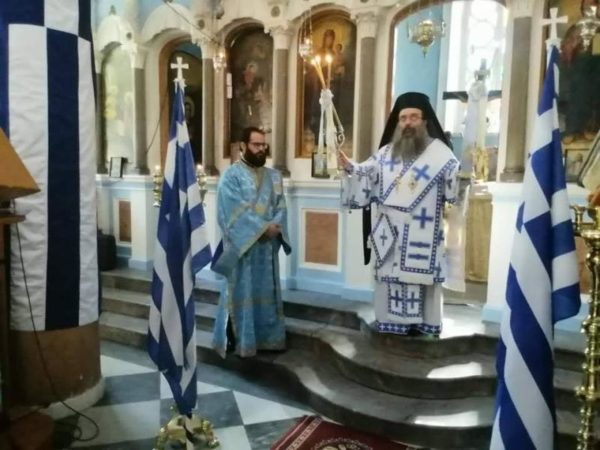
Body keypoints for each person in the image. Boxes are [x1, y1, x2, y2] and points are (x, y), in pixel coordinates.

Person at [338, 92, 460, 337]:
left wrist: (464, 175)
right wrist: (350, 166)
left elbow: (454, 187)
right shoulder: (386, 152)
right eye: (403, 118)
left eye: (414, 117)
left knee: (421, 278)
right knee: (389, 276)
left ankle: (425, 324)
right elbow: (366, 172)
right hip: (389, 232)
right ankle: (390, 322)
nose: (408, 123)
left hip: (422, 230)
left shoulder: (440, 154)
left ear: (425, 121)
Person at [211, 126, 291, 357]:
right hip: (243, 250)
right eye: (256, 144)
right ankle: (239, 340)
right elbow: (231, 212)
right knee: (240, 293)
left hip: (266, 251)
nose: (261, 149)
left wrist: (275, 227)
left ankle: (267, 339)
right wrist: (264, 228)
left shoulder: (274, 177)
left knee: (266, 293)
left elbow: (281, 207)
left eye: (264, 145)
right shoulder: (231, 176)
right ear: (243, 146)